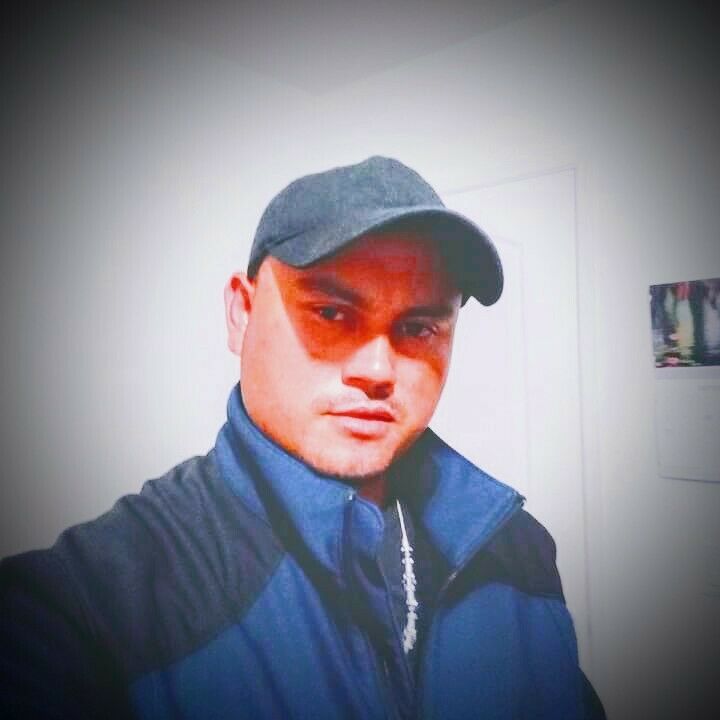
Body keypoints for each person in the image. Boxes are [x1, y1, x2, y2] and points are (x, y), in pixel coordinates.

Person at [0, 156, 604, 719]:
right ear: (241, 312)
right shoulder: (89, 607)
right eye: (331, 313)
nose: (377, 369)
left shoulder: (518, 549)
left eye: (418, 327)